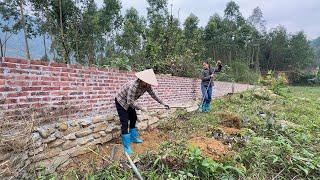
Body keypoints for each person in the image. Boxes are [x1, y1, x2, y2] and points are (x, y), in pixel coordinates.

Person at [115, 69, 169, 154]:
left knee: (134, 118)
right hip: (121, 102)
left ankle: (133, 137)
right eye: (148, 82)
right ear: (143, 80)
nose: (149, 84)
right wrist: (141, 108)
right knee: (125, 122)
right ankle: (127, 146)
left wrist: (163, 103)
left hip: (130, 102)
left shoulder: (147, 86)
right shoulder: (134, 86)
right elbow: (129, 102)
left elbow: (154, 95)